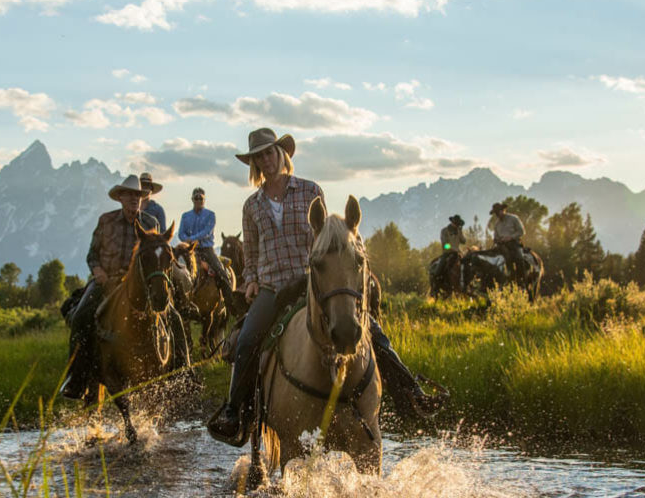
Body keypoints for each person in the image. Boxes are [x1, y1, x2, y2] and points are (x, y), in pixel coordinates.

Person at [206, 128, 435, 445]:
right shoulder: (252, 206)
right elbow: (253, 256)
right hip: (272, 288)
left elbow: (326, 237)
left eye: (269, 153)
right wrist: (250, 282)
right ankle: (235, 412)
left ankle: (410, 391)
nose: (266, 160)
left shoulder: (310, 191)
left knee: (370, 329)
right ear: (254, 163)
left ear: (281, 154)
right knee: (246, 341)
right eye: (259, 156)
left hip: (313, 282)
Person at [60, 174, 185, 401]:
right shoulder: (106, 221)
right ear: (120, 197)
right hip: (106, 281)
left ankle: (181, 373)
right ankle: (76, 379)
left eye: (137, 195)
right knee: (80, 316)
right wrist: (97, 270)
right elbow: (92, 254)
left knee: (173, 317)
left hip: (139, 285)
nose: (133, 199)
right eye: (128, 195)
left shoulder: (151, 223)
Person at [178, 187, 236, 308]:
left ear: (204, 200)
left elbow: (207, 231)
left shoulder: (210, 215)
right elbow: (180, 233)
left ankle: (229, 305)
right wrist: (187, 240)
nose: (199, 200)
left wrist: (193, 238)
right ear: (192, 199)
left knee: (221, 273)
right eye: (196, 197)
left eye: (201, 198)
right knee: (175, 269)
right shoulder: (185, 216)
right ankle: (177, 302)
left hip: (207, 250)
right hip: (190, 250)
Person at [490, 202, 526, 278]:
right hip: (501, 246)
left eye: (498, 212)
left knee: (519, 258)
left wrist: (511, 237)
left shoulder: (514, 218)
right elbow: (495, 237)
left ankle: (521, 278)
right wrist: (497, 240)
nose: (497, 215)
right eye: (495, 213)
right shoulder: (497, 224)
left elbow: (521, 231)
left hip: (514, 243)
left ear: (503, 210)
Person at [434, 214, 466, 281]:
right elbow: (445, 245)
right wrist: (454, 249)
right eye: (456, 224)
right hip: (447, 253)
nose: (457, 225)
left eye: (458, 224)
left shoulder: (458, 231)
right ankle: (435, 283)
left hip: (458, 253)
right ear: (452, 222)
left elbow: (464, 241)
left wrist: (461, 232)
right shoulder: (444, 231)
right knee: (438, 270)